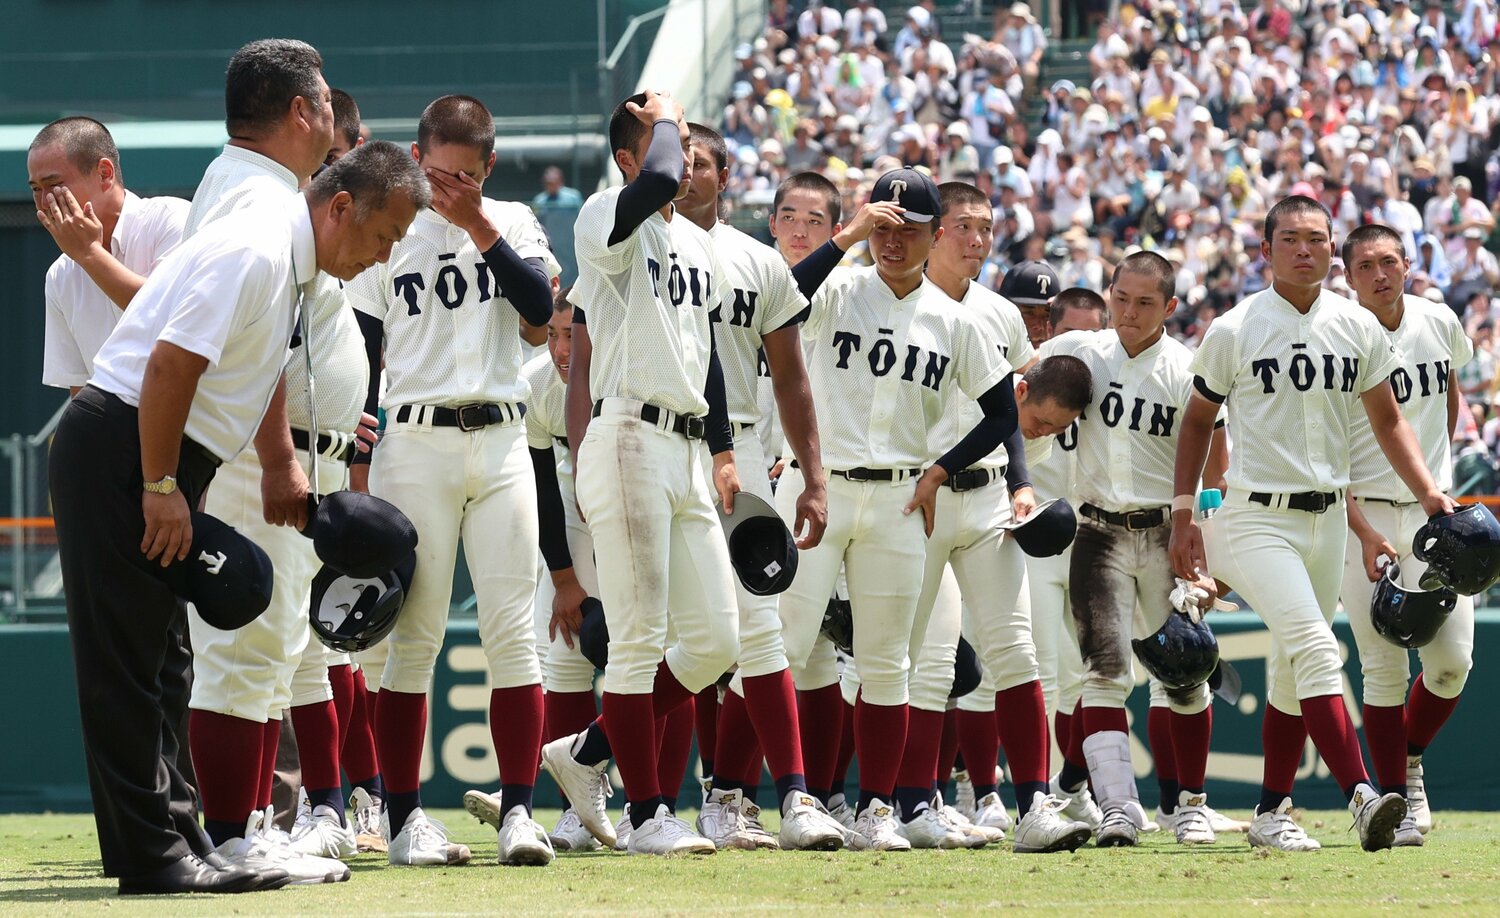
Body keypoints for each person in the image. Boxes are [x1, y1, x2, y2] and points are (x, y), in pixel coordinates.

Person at [49, 140, 425, 895]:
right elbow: (169, 365)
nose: (381, 260)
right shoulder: (258, 249)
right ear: (341, 208)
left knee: (165, 664)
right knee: (126, 671)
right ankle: (153, 862)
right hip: (126, 443)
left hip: (157, 451)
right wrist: (160, 484)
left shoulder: (285, 258)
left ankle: (186, 841)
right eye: (382, 238)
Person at [1170, 196, 1459, 853]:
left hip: (1328, 516)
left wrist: (1429, 491)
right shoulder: (1235, 327)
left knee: (1292, 671)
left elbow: (1389, 422)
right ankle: (1363, 797)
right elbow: (1196, 422)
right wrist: (1184, 513)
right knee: (1316, 645)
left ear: (1332, 251)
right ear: (1265, 250)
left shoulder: (1357, 326)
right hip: (1254, 515)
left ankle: (1273, 811)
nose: (1305, 250)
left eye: (1317, 239)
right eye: (1290, 239)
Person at [759, 167, 1020, 850]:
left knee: (885, 662)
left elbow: (1002, 412)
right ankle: (757, 797)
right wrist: (847, 233)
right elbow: (782, 298)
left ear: (936, 236)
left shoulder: (955, 321)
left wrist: (940, 470)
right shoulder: (837, 289)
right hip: (821, 484)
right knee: (778, 644)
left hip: (903, 494)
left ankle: (876, 810)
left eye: (908, 229)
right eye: (884, 224)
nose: (893, 239)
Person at [179, 39, 376, 881]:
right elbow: (244, 344)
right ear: (302, 112)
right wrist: (276, 457)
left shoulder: (258, 189)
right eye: (326, 102)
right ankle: (231, 834)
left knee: (268, 653)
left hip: (277, 453)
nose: (333, 116)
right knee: (244, 651)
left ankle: (246, 823)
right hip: (253, 456)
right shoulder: (258, 204)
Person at [347, 94, 559, 867]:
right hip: (415, 442)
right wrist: (356, 461)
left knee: (514, 637)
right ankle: (405, 823)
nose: (452, 187)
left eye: (467, 175)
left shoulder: (514, 220)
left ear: (488, 166)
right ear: (416, 154)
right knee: (414, 638)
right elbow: (362, 349)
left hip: (503, 437)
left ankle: (520, 815)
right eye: (440, 173)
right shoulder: (391, 228)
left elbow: (540, 309)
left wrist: (479, 223)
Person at [540, 90, 742, 857]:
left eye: (690, 146)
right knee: (639, 639)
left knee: (717, 640)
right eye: (673, 145)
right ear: (632, 157)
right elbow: (655, 181)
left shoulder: (694, 244)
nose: (685, 159)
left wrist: (722, 448)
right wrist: (661, 119)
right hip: (626, 432)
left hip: (687, 445)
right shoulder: (603, 211)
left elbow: (706, 357)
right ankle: (648, 812)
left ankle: (587, 753)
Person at [881, 181, 1093, 853]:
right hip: (914, 498)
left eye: (985, 228)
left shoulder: (1001, 315)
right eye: (964, 226)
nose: (977, 239)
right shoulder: (889, 301)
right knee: (925, 658)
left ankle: (1034, 806)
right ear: (934, 231)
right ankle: (908, 802)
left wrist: (1023, 484)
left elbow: (1009, 415)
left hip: (987, 494)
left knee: (1015, 648)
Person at [673, 125, 847, 852]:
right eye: (792, 217)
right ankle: (639, 795)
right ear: (771, 218)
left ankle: (790, 795)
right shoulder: (631, 241)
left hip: (755, 450)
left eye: (819, 221)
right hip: (665, 438)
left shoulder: (793, 273)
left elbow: (796, 369)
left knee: (771, 635)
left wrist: (807, 473)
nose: (802, 230)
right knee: (684, 637)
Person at [1044, 252, 1230, 848]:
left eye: (1145, 302)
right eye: (1121, 298)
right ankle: (1119, 806)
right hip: (1094, 528)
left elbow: (1218, 469)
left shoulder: (1187, 369)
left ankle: (1192, 805)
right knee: (1102, 674)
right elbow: (1020, 393)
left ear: (1170, 307)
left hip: (1164, 531)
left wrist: (1202, 540)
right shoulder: (1077, 354)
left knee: (1185, 670)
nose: (1129, 311)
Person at [1339, 224, 1474, 847]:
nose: (1379, 274)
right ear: (1348, 276)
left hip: (1432, 512)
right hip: (1361, 513)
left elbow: (1448, 392)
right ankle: (1396, 799)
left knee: (1451, 663)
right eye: (1364, 265)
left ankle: (1410, 758)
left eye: (1388, 261)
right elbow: (1321, 446)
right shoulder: (1334, 335)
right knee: (1382, 664)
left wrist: (1439, 469)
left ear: (1410, 265)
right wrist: (1359, 525)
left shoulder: (1439, 320)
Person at [30, 118, 189, 396]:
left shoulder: (172, 220)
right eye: (35, 189)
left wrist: (89, 254)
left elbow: (167, 314)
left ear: (105, 173)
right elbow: (81, 392)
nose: (45, 202)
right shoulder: (59, 276)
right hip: (114, 436)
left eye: (53, 184)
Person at [531, 165, 584, 283]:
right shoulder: (539, 201)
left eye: (553, 182)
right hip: (552, 246)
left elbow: (581, 218)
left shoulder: (573, 197)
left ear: (560, 181)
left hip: (570, 244)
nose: (550, 185)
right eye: (548, 183)